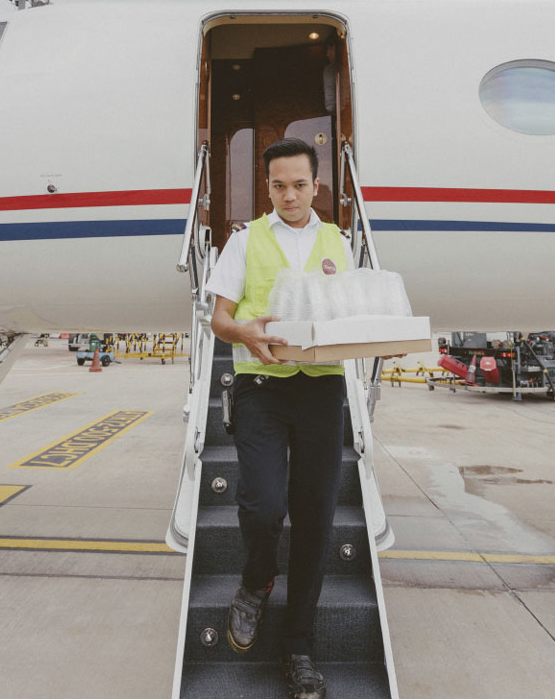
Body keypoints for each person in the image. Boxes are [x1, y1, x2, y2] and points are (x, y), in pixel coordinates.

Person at [205, 136, 351, 699]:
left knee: (315, 518)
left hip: (321, 388)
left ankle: (299, 646)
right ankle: (256, 578)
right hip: (260, 386)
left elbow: (352, 312)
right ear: (266, 187)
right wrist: (241, 331)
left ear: (316, 185)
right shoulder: (246, 241)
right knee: (263, 504)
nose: (288, 195)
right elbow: (219, 318)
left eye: (298, 184)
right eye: (277, 185)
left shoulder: (339, 241)